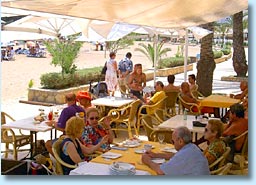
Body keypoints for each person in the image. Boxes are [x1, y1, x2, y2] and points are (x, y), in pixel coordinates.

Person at [141, 126, 210, 175]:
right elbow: (176, 155)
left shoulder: (184, 155)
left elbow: (160, 171)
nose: (172, 144)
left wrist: (147, 161)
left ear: (180, 141)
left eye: (173, 141)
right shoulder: (192, 147)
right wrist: (156, 155)